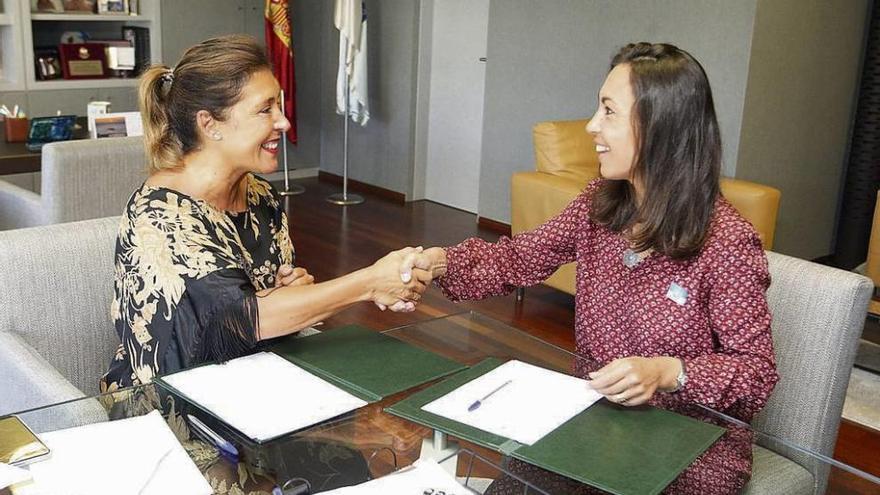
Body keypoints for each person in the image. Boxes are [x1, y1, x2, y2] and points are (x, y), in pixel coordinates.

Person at [409, 43, 779, 494]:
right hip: (595, 419)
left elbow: (755, 374)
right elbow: (520, 256)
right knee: (511, 486)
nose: (591, 126)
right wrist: (441, 261)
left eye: (609, 112)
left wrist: (668, 372)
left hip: (691, 447)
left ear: (660, 127)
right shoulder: (599, 204)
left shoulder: (727, 241)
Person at [101, 35, 427, 391]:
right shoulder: (161, 215)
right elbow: (245, 318)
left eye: (280, 106)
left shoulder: (259, 195)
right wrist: (370, 282)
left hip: (256, 379)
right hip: (178, 405)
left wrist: (288, 291)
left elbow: (262, 298)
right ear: (210, 125)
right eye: (265, 109)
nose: (284, 122)